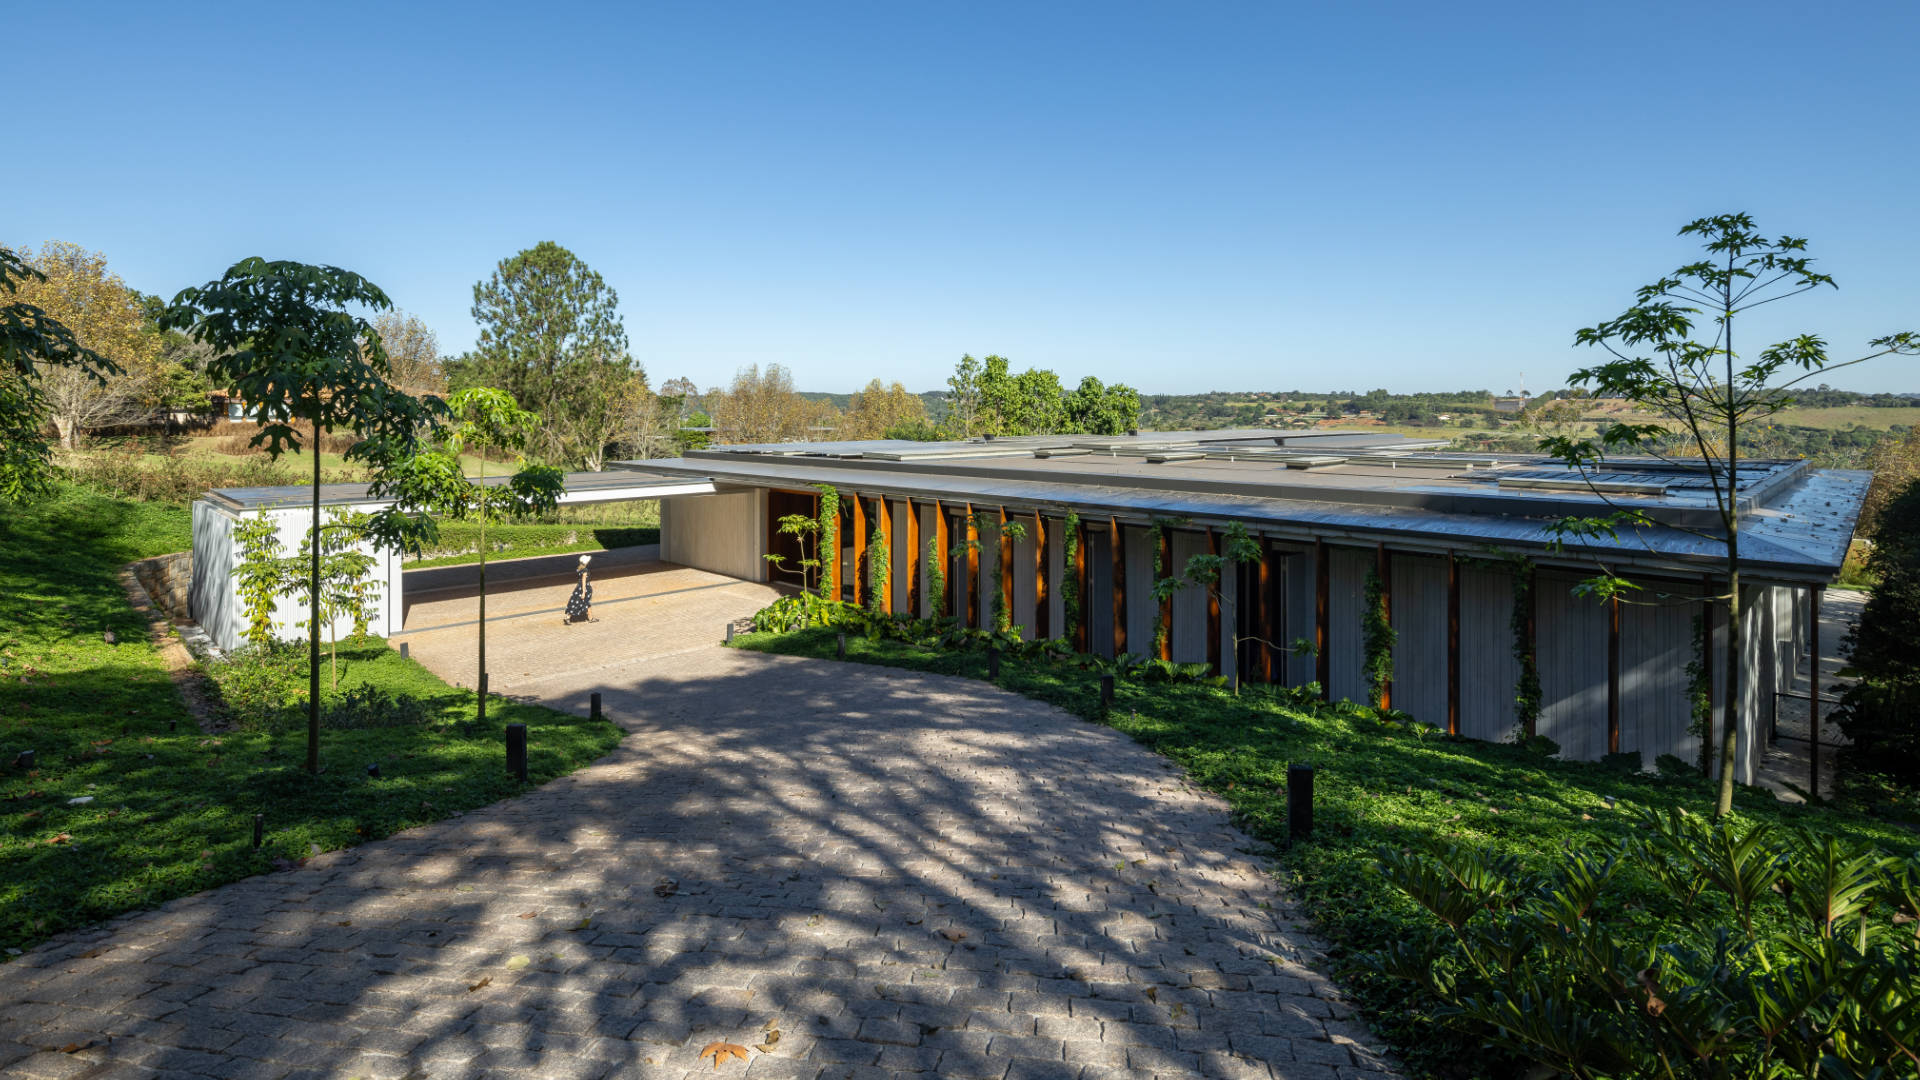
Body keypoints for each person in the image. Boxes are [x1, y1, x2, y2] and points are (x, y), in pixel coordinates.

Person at [564, 554, 593, 624]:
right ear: (586, 562)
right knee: (580, 602)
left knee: (581, 602)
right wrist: (583, 592)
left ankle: (590, 618)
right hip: (584, 588)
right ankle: (568, 617)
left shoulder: (579, 568)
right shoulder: (585, 570)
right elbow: (584, 581)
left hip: (578, 587)